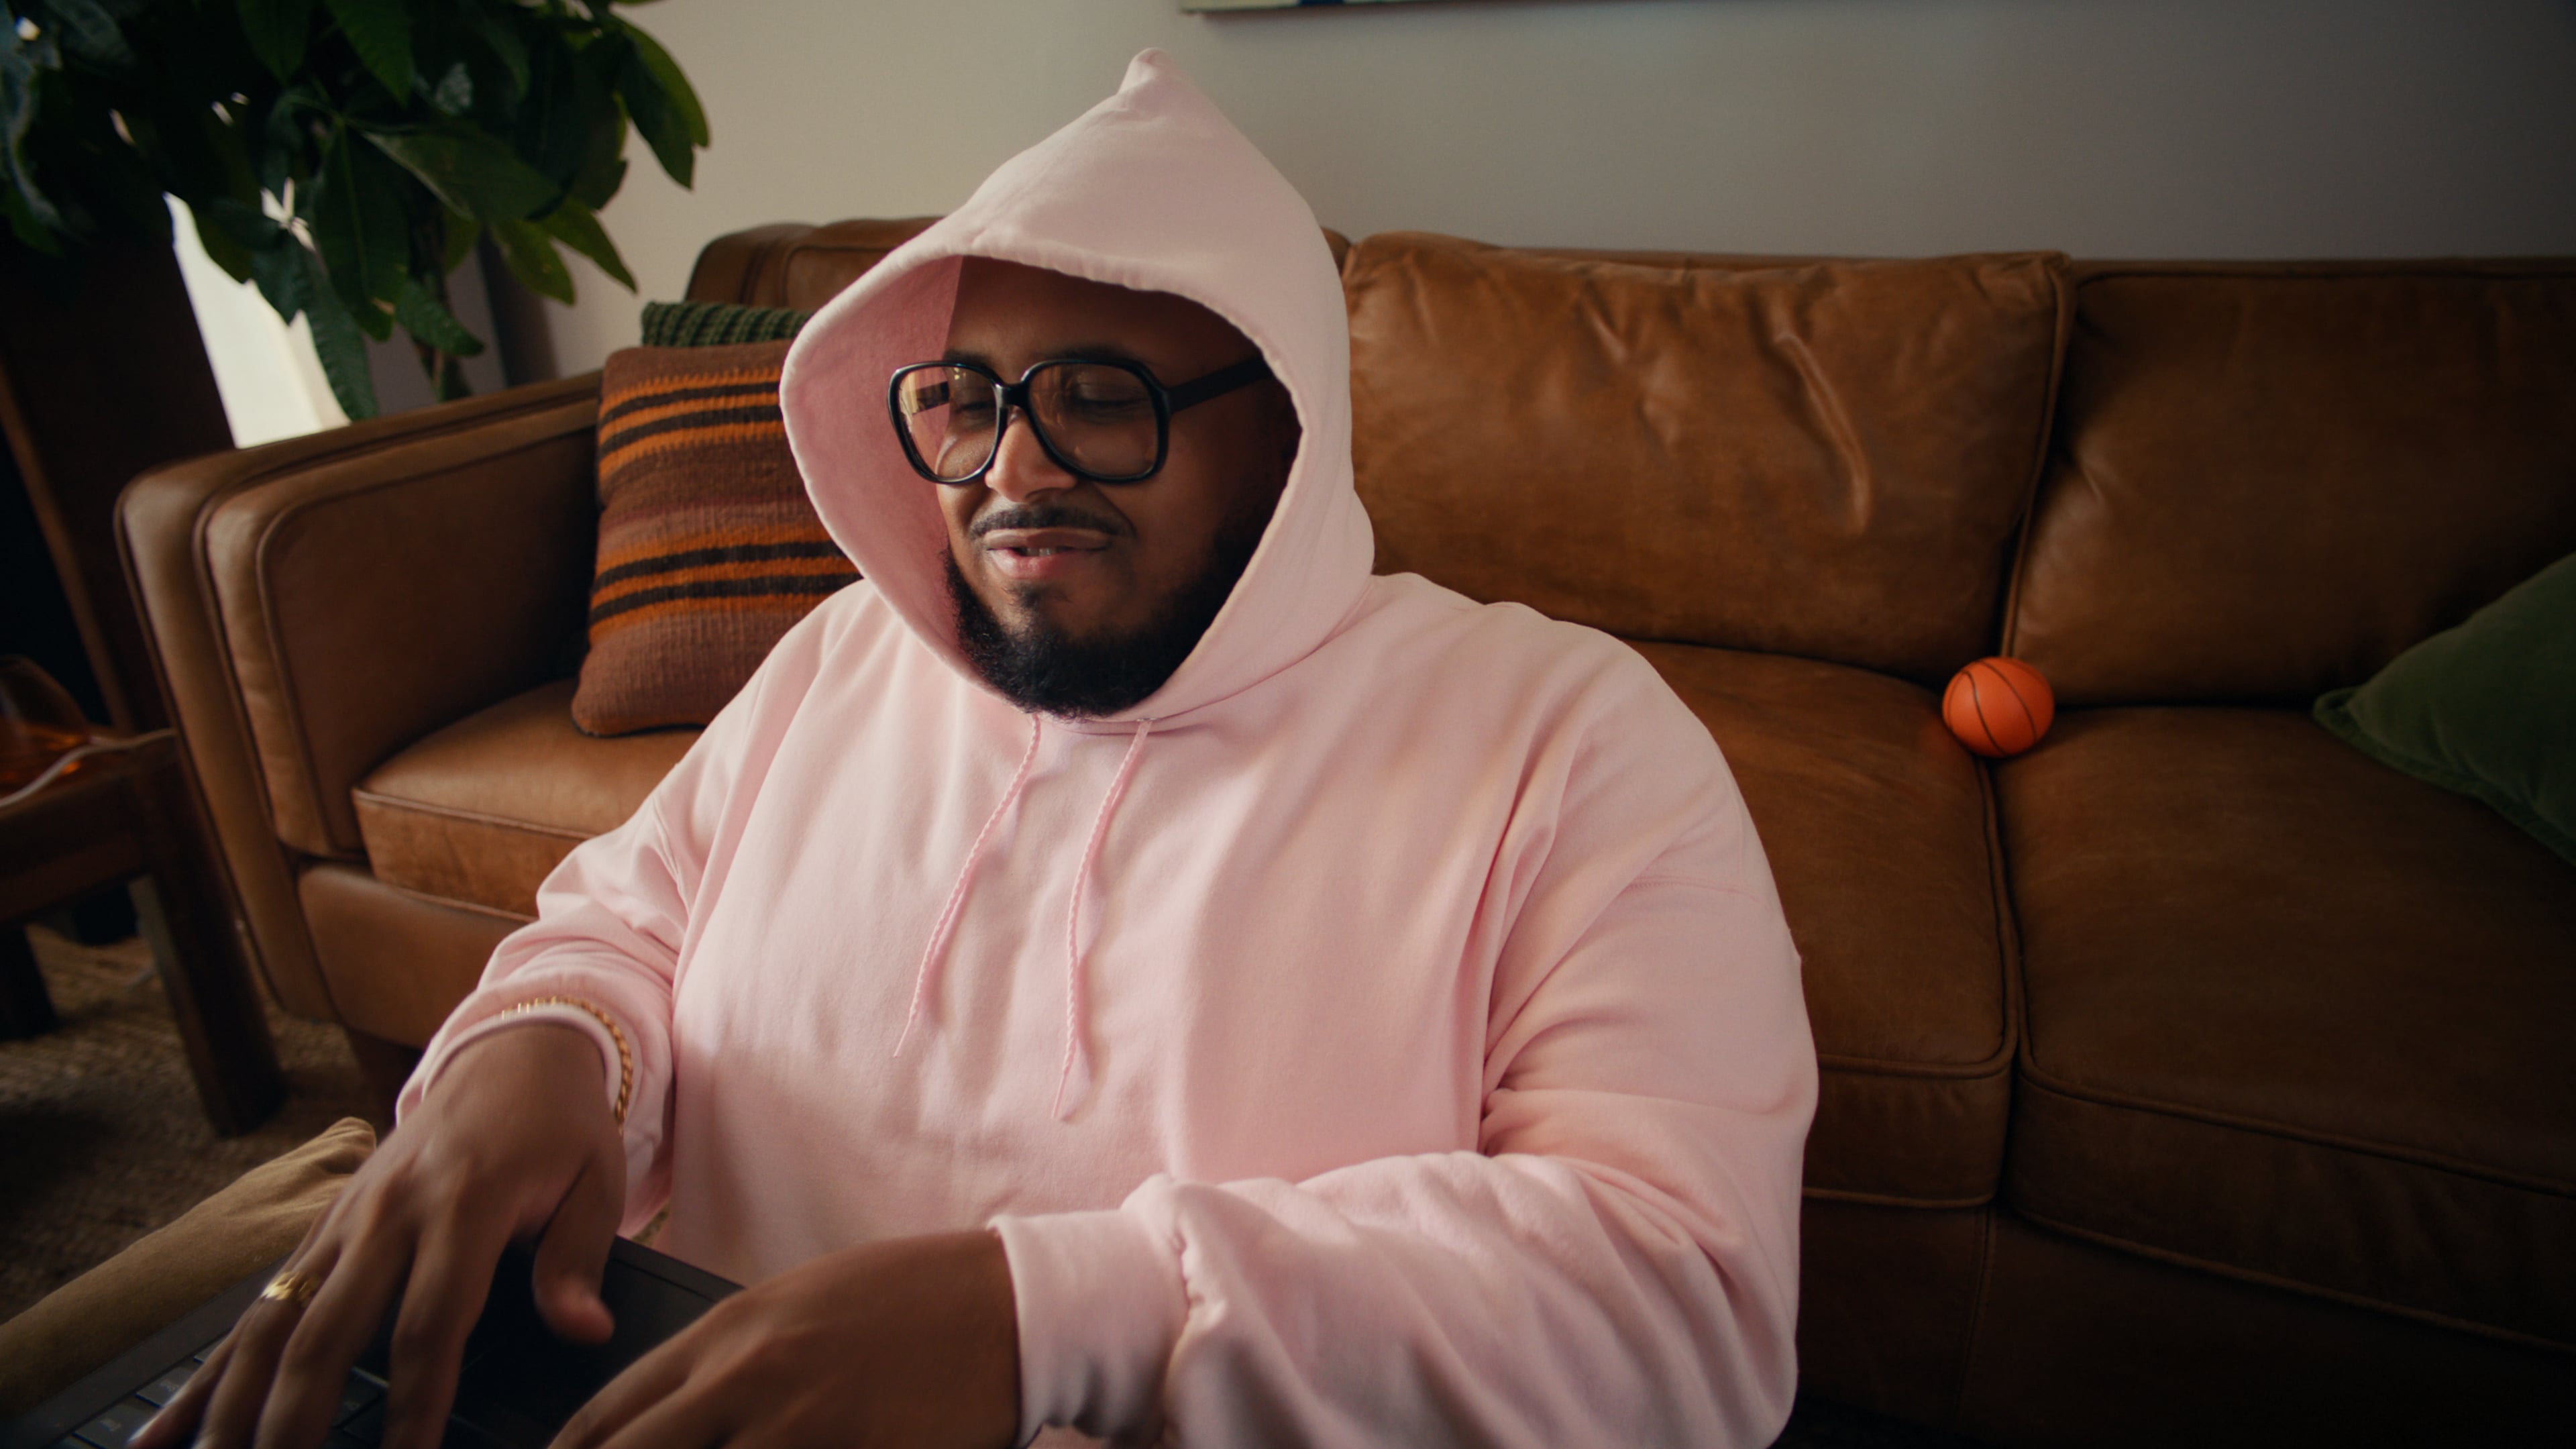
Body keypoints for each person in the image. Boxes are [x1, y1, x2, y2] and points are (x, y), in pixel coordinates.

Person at [140, 50, 1815, 1449]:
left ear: (1286, 430)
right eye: (967, 399)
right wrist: (548, 1044)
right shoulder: (853, 656)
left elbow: (1682, 1302)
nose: (1012, 471)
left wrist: (1052, 1320)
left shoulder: (1569, 742)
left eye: (1100, 397)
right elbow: (628, 919)